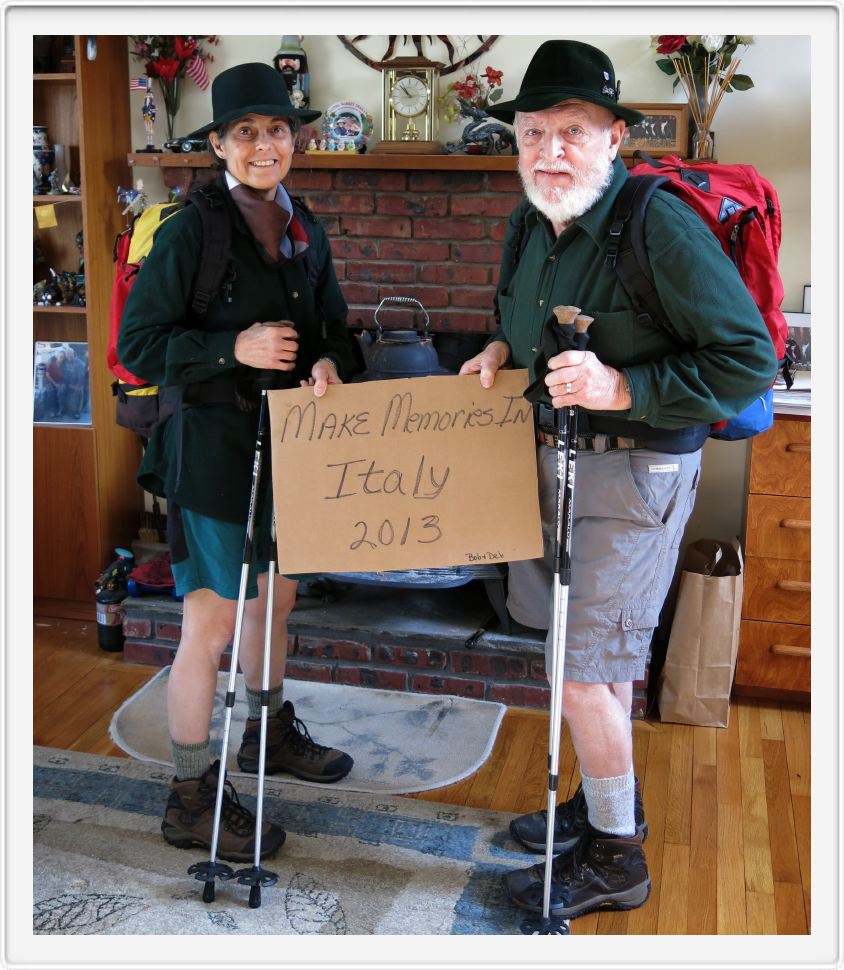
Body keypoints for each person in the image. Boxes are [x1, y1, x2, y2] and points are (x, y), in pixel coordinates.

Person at [460, 40, 778, 921]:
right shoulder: (532, 218)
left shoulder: (657, 222)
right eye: (533, 132)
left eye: (571, 130)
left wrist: (624, 386)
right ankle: (604, 805)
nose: (549, 149)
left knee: (586, 672)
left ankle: (616, 859)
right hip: (550, 461)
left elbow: (751, 360)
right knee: (574, 659)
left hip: (635, 473)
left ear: (614, 137)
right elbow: (516, 317)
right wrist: (499, 350)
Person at [118, 62, 359, 864]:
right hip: (213, 453)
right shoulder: (192, 230)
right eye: (247, 132)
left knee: (276, 604)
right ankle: (189, 797)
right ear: (218, 143)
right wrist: (235, 347)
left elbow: (334, 330)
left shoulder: (304, 228)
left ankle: (265, 731)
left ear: (296, 140)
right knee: (211, 624)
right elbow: (137, 347)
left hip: (291, 446)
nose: (265, 144)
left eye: (278, 129)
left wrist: (327, 364)